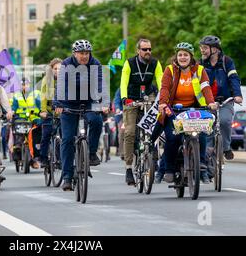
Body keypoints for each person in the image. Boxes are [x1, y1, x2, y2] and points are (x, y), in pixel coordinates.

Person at [54, 39, 110, 191]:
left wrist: (105, 102)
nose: (84, 56)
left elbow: (101, 83)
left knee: (97, 121)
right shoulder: (66, 64)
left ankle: (91, 153)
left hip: (89, 102)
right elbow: (60, 85)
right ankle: (67, 177)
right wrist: (58, 104)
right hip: (68, 104)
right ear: (74, 53)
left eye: (87, 53)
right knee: (67, 139)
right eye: (81, 53)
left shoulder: (95, 64)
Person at [157, 43, 217, 184]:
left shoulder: (199, 70)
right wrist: (163, 103)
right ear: (176, 57)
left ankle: (201, 165)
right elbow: (164, 88)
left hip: (194, 109)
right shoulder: (170, 70)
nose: (183, 57)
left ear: (191, 57)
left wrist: (210, 102)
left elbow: (206, 87)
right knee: (172, 137)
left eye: (186, 55)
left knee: (201, 131)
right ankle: (169, 169)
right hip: (172, 109)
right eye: (180, 55)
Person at [120, 38, 163, 186]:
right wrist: (124, 98)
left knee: (154, 128)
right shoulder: (129, 63)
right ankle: (128, 169)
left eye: (150, 49)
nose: (148, 52)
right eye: (145, 49)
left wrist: (163, 98)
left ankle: (154, 157)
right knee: (130, 132)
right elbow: (123, 82)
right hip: (131, 98)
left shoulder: (155, 63)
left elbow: (161, 81)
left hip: (149, 97)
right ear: (138, 51)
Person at [199, 35, 242, 161]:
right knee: (207, 127)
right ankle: (208, 157)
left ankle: (226, 147)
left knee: (224, 121)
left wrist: (237, 95)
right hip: (207, 102)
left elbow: (234, 78)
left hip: (225, 100)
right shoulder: (200, 63)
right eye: (201, 47)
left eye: (205, 48)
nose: (202, 50)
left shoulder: (226, 61)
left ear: (215, 49)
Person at [11, 77, 41, 169]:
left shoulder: (36, 94)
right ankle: (17, 156)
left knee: (35, 140)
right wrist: (11, 112)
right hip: (20, 120)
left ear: (29, 84)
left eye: (26, 84)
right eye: (23, 85)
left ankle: (34, 160)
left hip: (33, 119)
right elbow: (13, 107)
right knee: (18, 140)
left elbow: (40, 106)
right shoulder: (17, 95)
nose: (24, 86)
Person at [39, 58, 62, 168]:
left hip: (63, 111)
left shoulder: (67, 79)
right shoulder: (47, 79)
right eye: (55, 68)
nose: (58, 71)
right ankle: (43, 158)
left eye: (60, 68)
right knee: (46, 134)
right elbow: (43, 96)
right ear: (51, 69)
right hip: (49, 111)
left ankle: (61, 158)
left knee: (64, 136)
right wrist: (43, 111)